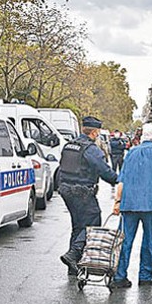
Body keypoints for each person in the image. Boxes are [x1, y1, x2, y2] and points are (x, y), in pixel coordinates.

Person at [110, 123, 152, 289]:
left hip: (129, 203)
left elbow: (121, 181)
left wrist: (117, 202)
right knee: (148, 239)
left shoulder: (131, 152)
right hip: (151, 204)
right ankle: (145, 275)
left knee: (124, 240)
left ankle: (120, 276)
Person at [58, 116, 119, 277]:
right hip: (82, 192)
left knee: (77, 226)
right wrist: (118, 180)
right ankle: (74, 253)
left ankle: (73, 266)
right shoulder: (90, 149)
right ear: (94, 132)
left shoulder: (69, 146)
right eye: (97, 132)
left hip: (65, 191)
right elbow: (103, 169)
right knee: (93, 221)